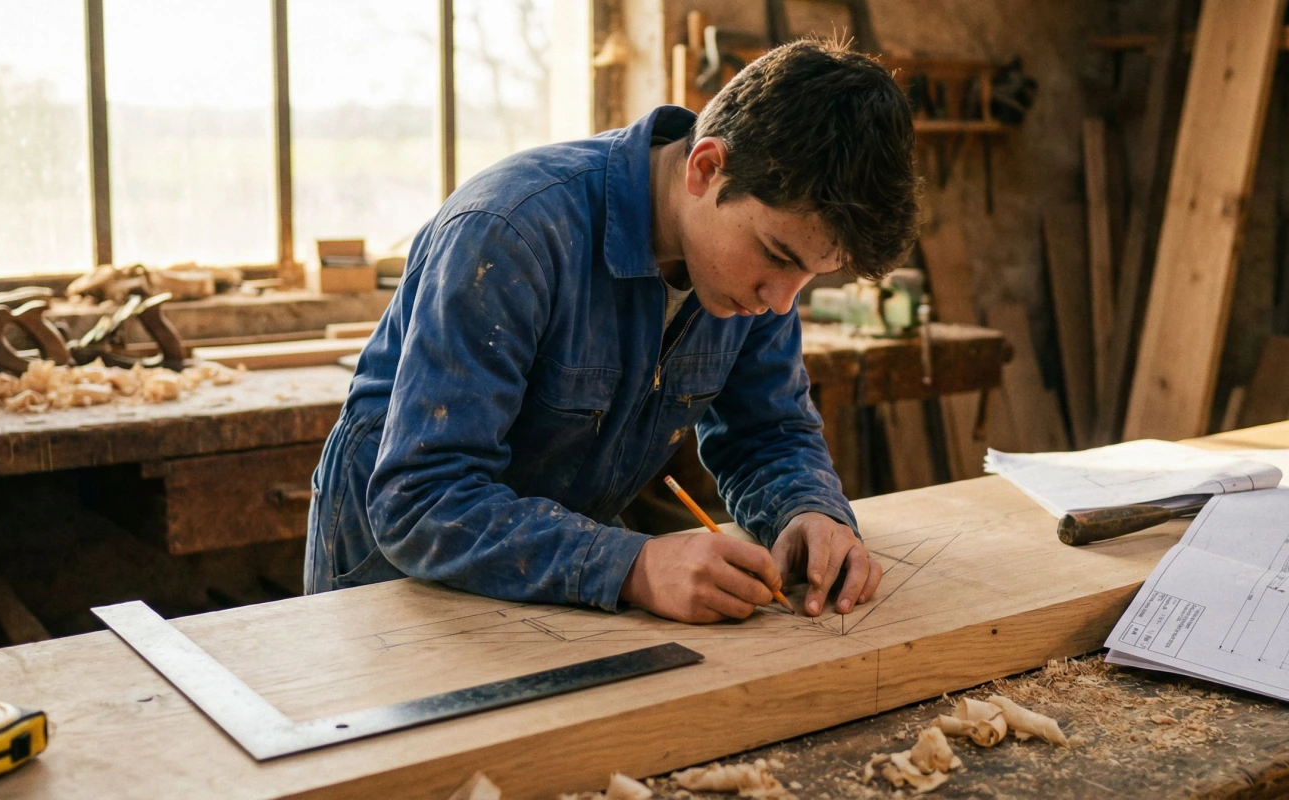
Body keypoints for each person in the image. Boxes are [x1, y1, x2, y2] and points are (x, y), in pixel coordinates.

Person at [305, 38, 919, 624]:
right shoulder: (510, 232)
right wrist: (634, 566)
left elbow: (767, 431)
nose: (781, 300)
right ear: (706, 168)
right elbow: (422, 499)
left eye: (811, 275)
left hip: (556, 584)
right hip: (397, 587)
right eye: (778, 256)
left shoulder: (753, 276)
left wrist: (808, 509)